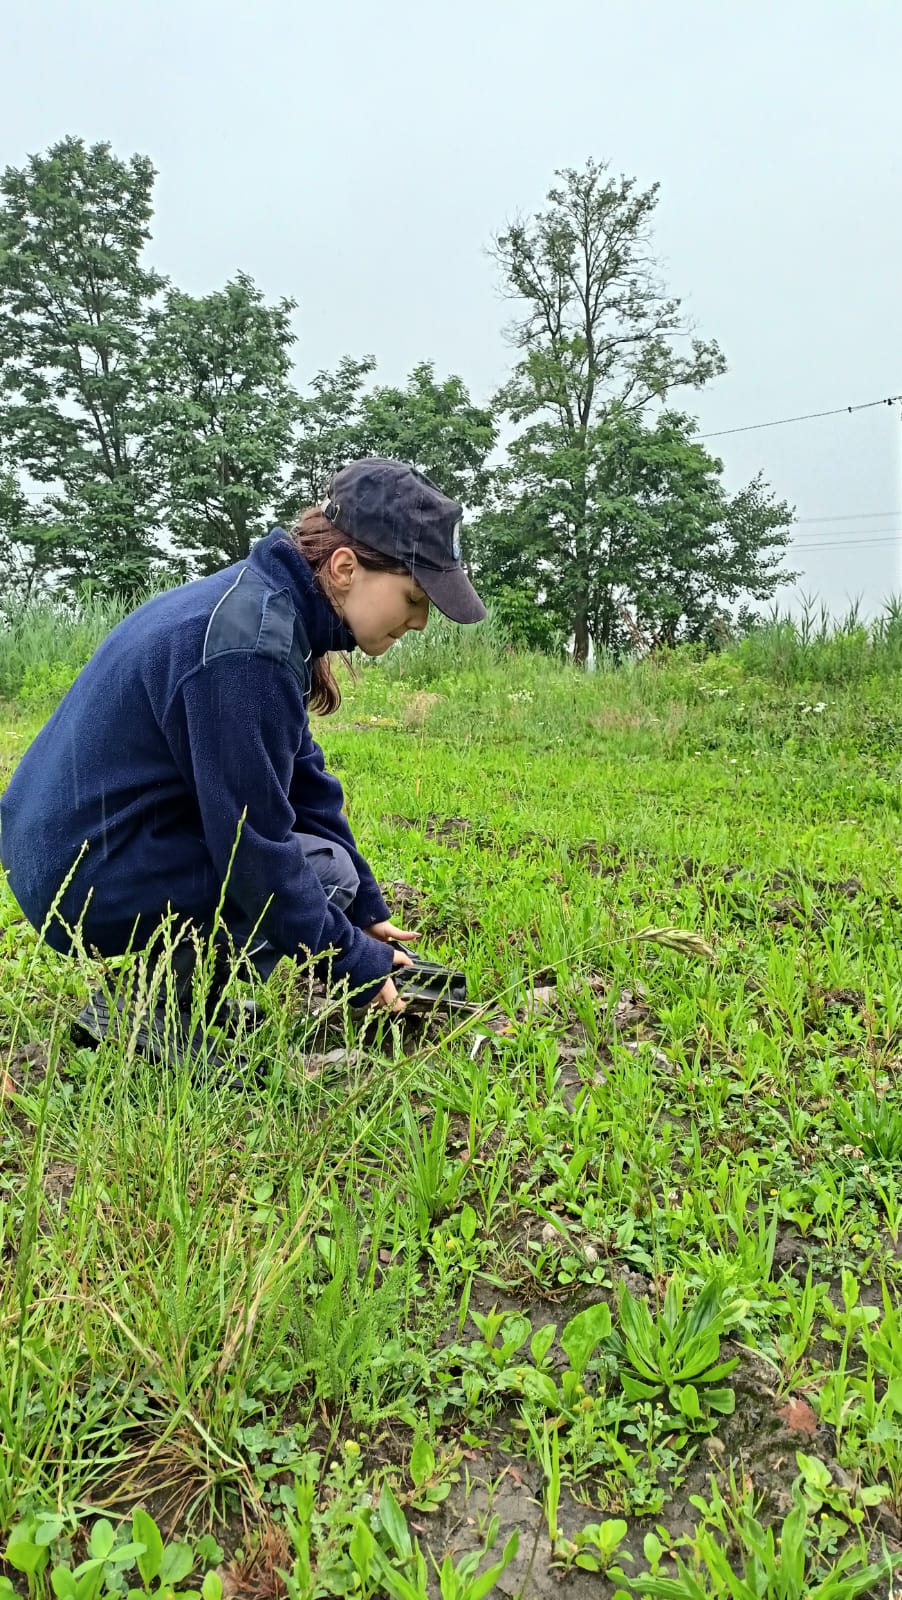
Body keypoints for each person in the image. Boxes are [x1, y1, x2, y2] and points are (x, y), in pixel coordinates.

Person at [0, 458, 487, 1063]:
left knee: (334, 873)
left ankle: (183, 991)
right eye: (414, 597)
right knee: (316, 872)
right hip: (79, 873)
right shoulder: (248, 650)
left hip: (84, 846)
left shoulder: (271, 611)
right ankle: (150, 1011)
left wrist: (365, 908)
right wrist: (351, 961)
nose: (419, 621)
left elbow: (306, 787)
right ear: (344, 568)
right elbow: (252, 848)